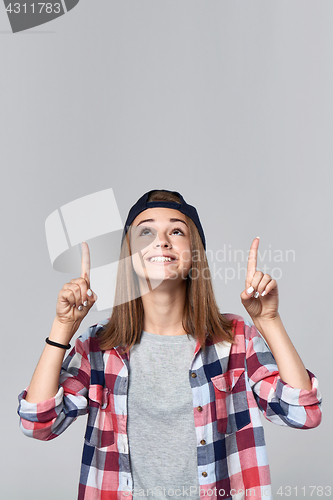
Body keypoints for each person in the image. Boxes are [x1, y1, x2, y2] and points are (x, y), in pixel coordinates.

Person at [18, 189, 322, 500]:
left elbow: (302, 412)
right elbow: (38, 424)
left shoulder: (236, 339)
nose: (161, 241)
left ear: (195, 253)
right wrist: (63, 327)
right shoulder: (97, 347)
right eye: (146, 231)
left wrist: (269, 320)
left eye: (176, 231)